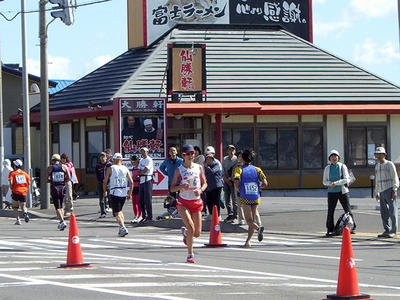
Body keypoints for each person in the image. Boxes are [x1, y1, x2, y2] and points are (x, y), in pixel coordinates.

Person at [170, 144, 207, 263]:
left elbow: (205, 183)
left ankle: (186, 233)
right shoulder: (179, 170)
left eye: (192, 153)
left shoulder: (199, 167)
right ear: (183, 155)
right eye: (188, 154)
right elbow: (172, 188)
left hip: (196, 202)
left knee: (197, 233)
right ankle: (190, 254)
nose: (191, 156)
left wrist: (200, 190)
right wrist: (181, 186)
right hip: (183, 202)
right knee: (191, 227)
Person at [233, 150, 268, 247]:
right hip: (255, 196)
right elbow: (265, 183)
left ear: (243, 159)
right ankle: (248, 241)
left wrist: (238, 189)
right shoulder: (257, 169)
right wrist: (258, 187)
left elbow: (236, 180)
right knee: (252, 220)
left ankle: (258, 229)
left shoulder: (239, 169)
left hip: (245, 196)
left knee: (248, 220)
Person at [322, 149, 356, 237]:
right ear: (329, 159)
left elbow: (346, 179)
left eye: (335, 156)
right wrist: (329, 184)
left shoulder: (342, 166)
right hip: (331, 191)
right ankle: (330, 229)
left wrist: (335, 183)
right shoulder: (327, 168)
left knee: (347, 209)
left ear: (338, 158)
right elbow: (324, 181)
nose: (334, 158)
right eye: (332, 157)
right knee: (330, 211)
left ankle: (352, 226)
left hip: (342, 191)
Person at [103, 153, 133, 237]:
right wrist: (129, 193)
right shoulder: (125, 168)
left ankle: (122, 227)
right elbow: (131, 182)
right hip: (123, 192)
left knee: (116, 213)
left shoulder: (111, 168)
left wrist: (104, 191)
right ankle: (121, 229)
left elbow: (105, 181)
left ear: (114, 160)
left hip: (114, 192)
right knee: (120, 211)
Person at [374, 147, 399, 238]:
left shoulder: (389, 164)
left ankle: (393, 230)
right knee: (384, 212)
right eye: (377, 154)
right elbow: (377, 180)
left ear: (384, 155)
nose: (379, 156)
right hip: (381, 191)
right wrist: (377, 192)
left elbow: (395, 177)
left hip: (389, 189)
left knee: (392, 211)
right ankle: (386, 230)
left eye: (380, 154)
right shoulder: (377, 166)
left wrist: (394, 190)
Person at [47, 154, 71, 231]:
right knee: (61, 205)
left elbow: (46, 179)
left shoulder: (50, 168)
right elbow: (69, 178)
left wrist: (51, 181)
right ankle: (61, 222)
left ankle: (62, 221)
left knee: (57, 207)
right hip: (63, 188)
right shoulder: (64, 167)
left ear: (52, 160)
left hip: (55, 188)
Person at [8, 159, 31, 225]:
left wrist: (11, 188)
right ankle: (25, 213)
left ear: (14, 166)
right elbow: (29, 182)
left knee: (15, 207)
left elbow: (11, 182)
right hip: (23, 192)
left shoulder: (12, 173)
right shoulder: (25, 173)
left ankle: (18, 220)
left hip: (15, 191)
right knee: (23, 205)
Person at [203, 151, 224, 219]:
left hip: (216, 186)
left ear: (213, 159)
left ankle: (218, 215)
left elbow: (212, 172)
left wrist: (206, 167)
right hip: (209, 186)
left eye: (210, 159)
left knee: (216, 201)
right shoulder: (205, 167)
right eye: (207, 159)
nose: (209, 160)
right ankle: (211, 214)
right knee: (209, 201)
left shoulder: (216, 164)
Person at [222, 145, 239, 223]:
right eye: (229, 150)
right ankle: (230, 213)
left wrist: (231, 180)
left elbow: (236, 170)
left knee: (234, 198)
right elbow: (222, 170)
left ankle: (235, 215)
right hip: (226, 181)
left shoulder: (236, 159)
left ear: (234, 151)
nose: (231, 151)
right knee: (227, 199)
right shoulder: (225, 159)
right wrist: (226, 179)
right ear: (227, 151)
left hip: (234, 181)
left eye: (232, 150)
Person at [138, 147, 154, 223]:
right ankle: (144, 215)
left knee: (148, 199)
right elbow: (139, 170)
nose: (142, 153)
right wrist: (141, 172)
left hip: (148, 179)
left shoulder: (149, 160)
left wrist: (142, 172)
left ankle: (150, 216)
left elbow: (145, 170)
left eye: (144, 151)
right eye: (141, 152)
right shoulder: (141, 160)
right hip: (141, 180)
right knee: (141, 199)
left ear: (147, 152)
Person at [95, 152, 108, 218]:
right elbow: (97, 174)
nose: (102, 158)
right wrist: (101, 180)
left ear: (106, 157)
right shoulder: (98, 165)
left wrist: (107, 181)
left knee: (111, 197)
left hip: (108, 183)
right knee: (101, 199)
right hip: (101, 183)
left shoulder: (109, 165)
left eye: (103, 156)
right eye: (101, 157)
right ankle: (103, 212)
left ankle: (115, 211)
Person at [130, 155, 142, 224]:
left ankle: (140, 215)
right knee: (134, 202)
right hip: (134, 186)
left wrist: (136, 177)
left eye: (135, 162)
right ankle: (136, 215)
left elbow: (141, 177)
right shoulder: (133, 169)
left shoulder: (140, 169)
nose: (133, 163)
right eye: (132, 162)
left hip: (139, 186)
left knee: (138, 201)